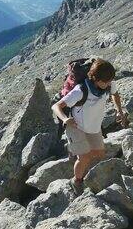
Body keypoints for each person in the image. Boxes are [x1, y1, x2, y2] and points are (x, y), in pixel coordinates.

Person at [51, 58, 127, 194]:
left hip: (93, 126)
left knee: (99, 154)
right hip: (75, 127)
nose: (110, 83)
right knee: (84, 157)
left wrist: (119, 111)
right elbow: (56, 106)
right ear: (96, 79)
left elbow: (115, 95)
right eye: (106, 81)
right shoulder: (80, 90)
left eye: (110, 80)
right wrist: (65, 119)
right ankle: (77, 181)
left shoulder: (108, 84)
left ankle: (75, 151)